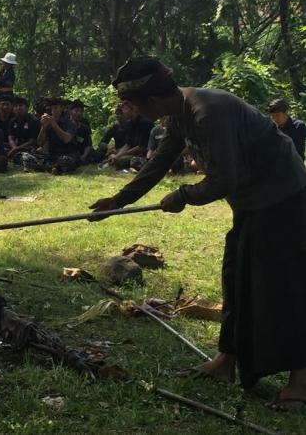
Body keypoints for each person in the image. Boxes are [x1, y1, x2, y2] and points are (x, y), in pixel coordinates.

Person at [89, 57, 306, 408]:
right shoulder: (179, 114)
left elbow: (225, 178)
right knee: (235, 276)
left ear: (151, 101)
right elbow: (158, 163)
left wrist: (183, 195)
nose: (138, 112)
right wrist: (119, 200)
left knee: (281, 285)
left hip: (283, 197)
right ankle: (226, 361)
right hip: (252, 203)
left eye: (136, 105)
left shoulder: (207, 112)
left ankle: (302, 380)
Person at [25, 97, 80, 174]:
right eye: (51, 108)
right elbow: (39, 143)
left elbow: (66, 139)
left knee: (66, 161)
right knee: (28, 157)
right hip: (52, 155)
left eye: (55, 108)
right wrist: (43, 127)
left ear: (62, 108)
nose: (53, 111)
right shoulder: (47, 123)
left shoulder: (70, 123)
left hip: (68, 153)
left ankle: (53, 168)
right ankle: (53, 167)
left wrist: (54, 124)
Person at [8, 96, 41, 161]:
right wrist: (14, 148)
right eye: (16, 106)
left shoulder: (33, 120)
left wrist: (16, 149)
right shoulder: (12, 121)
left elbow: (33, 141)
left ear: (26, 107)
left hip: (30, 148)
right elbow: (10, 138)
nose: (18, 108)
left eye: (20, 105)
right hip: (16, 146)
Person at [69, 99, 93, 163]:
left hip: (82, 150)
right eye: (76, 111)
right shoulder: (65, 123)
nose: (79, 113)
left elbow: (89, 143)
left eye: (81, 111)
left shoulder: (85, 125)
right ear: (70, 112)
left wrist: (84, 156)